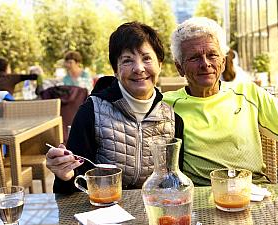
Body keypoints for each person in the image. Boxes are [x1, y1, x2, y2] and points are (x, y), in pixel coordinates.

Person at [46, 21, 184, 193]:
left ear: (160, 64)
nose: (139, 68)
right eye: (127, 60)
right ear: (115, 70)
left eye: (147, 58)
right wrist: (64, 175)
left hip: (154, 210)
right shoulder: (90, 112)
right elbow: (72, 187)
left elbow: (176, 181)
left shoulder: (173, 119)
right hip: (104, 210)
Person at [163, 17, 278, 186]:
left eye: (212, 55)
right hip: (200, 196)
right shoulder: (166, 105)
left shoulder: (248, 92)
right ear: (179, 68)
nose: (205, 63)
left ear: (223, 61)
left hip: (254, 190)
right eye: (194, 58)